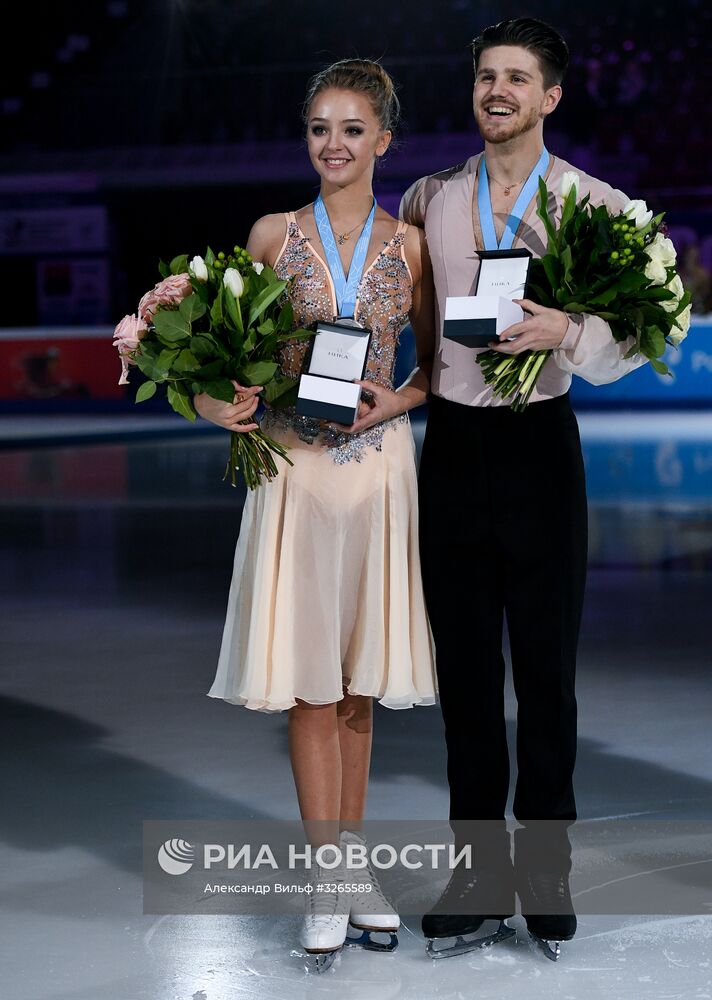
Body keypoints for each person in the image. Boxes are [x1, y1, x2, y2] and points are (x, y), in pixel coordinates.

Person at [400, 17, 646, 961]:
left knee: (545, 675)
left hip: (542, 449)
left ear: (550, 97)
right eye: (485, 77)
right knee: (465, 678)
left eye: (517, 78)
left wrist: (572, 335)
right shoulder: (432, 198)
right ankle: (477, 870)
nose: (497, 90)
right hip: (454, 450)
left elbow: (646, 324)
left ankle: (544, 870)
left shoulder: (592, 202)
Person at [194, 58, 438, 970]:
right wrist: (216, 400)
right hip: (294, 473)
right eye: (318, 129)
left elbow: (441, 369)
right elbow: (225, 355)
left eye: (351, 130)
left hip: (376, 474)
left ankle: (351, 875)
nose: (332, 146)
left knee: (359, 681)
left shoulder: (409, 244)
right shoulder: (269, 233)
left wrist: (397, 404)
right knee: (309, 682)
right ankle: (326, 879)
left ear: (384, 141)